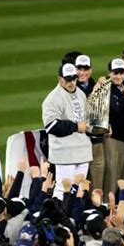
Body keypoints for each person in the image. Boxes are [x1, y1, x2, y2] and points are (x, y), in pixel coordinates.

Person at [42, 63, 92, 200]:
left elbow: (86, 120)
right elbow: (51, 126)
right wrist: (76, 127)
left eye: (74, 79)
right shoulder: (53, 99)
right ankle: (61, 220)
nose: (71, 82)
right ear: (60, 79)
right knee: (63, 188)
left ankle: (76, 219)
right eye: (68, 79)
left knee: (81, 189)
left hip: (82, 152)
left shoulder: (80, 93)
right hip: (65, 154)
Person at [103, 58, 124, 198]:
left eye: (121, 73)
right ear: (109, 73)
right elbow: (115, 109)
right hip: (113, 141)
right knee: (112, 179)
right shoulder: (107, 88)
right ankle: (105, 208)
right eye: (115, 73)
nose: (119, 76)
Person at [75, 54, 105, 190]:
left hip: (96, 142)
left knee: (97, 182)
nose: (82, 73)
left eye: (85, 69)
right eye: (79, 69)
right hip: (79, 144)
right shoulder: (70, 89)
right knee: (81, 182)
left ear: (90, 70)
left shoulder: (97, 85)